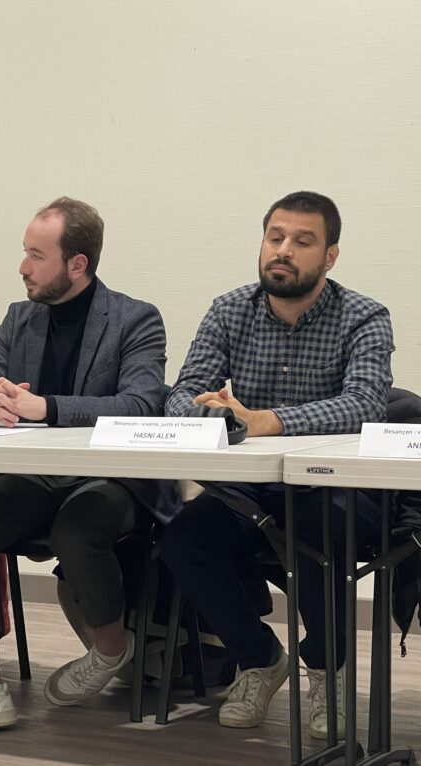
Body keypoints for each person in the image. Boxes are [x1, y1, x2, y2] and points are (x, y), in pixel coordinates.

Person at [0, 197, 172, 733]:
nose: (23, 267)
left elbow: (143, 403)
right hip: (36, 477)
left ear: (76, 264)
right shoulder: (20, 318)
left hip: (113, 481)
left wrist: (45, 407)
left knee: (77, 526)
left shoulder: (135, 319)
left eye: (36, 255)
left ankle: (110, 649)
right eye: (24, 253)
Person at [160, 191, 394, 738]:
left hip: (338, 491)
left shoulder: (365, 316)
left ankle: (326, 670)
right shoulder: (229, 309)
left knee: (312, 531)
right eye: (275, 237)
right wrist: (205, 410)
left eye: (301, 241)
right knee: (181, 539)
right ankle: (260, 657)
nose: (283, 251)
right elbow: (183, 391)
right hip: (252, 489)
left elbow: (365, 403)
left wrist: (268, 420)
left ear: (330, 257)